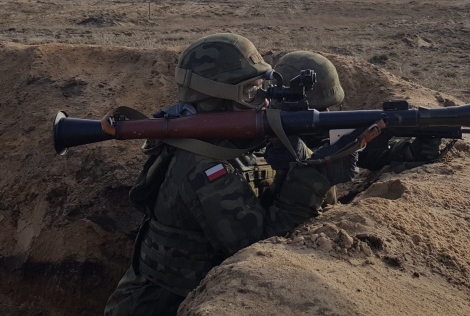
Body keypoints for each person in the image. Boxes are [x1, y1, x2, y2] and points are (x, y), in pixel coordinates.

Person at [104, 33, 359, 316]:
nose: (263, 101)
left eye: (262, 86)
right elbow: (259, 253)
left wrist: (298, 155)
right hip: (158, 307)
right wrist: (314, 175)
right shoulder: (201, 165)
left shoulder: (237, 141)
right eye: (250, 92)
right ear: (215, 100)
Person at [270, 50, 446, 173]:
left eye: (328, 106)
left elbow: (366, 154)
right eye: (317, 108)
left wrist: (409, 151)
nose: (326, 113)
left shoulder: (321, 136)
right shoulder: (265, 141)